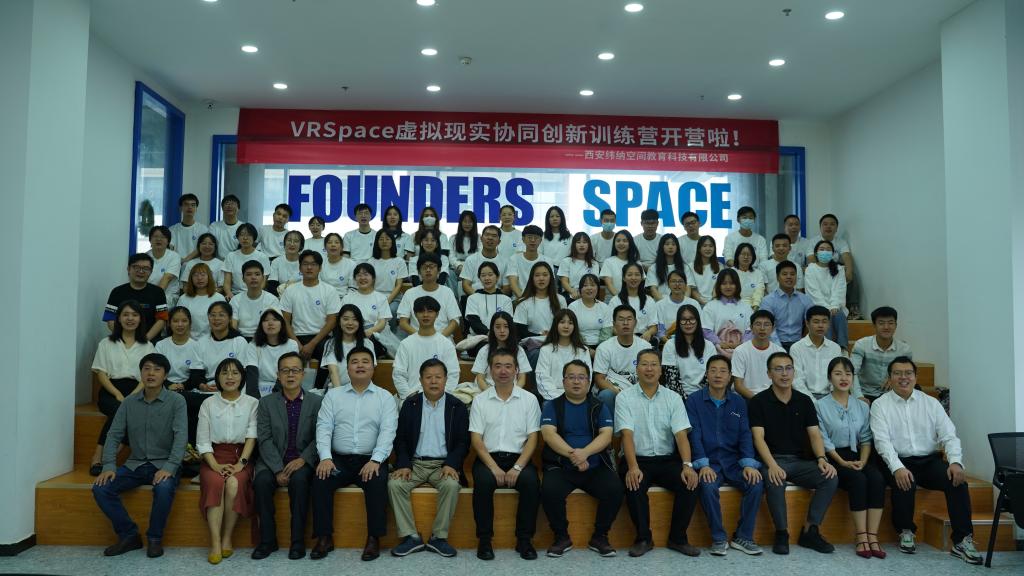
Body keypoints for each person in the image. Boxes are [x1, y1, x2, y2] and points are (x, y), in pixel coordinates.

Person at [870, 357, 981, 564]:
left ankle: (961, 540)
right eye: (897, 373)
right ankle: (905, 530)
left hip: (928, 461)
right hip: (898, 459)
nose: (903, 377)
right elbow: (882, 442)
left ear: (915, 376)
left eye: (908, 373)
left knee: (957, 481)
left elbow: (949, 435)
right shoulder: (880, 405)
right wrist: (897, 467)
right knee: (905, 481)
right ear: (889, 378)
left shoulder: (931, 403)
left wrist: (955, 462)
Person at [92, 353, 187, 558]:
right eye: (146, 368)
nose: (151, 373)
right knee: (101, 488)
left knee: (163, 488)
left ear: (165, 375)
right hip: (135, 464)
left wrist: (170, 467)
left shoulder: (177, 401)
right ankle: (129, 535)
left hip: (164, 463)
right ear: (140, 373)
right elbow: (114, 435)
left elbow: (181, 437)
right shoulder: (129, 403)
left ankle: (155, 538)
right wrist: (108, 465)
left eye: (157, 369)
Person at [311, 346, 397, 561]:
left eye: (365, 361)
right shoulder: (333, 396)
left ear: (373, 367)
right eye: (354, 361)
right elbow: (323, 428)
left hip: (370, 459)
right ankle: (324, 537)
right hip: (338, 460)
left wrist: (376, 460)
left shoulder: (385, 397)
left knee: (377, 482)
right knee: (321, 479)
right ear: (347, 368)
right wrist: (325, 457)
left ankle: (374, 539)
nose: (360, 365)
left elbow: (388, 432)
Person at [749, 352, 838, 555]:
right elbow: (758, 438)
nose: (784, 373)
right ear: (769, 374)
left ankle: (810, 530)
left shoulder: (804, 401)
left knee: (830, 476)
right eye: (778, 369)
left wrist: (822, 458)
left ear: (794, 372)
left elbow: (814, 434)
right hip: (771, 459)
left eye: (788, 368)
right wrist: (772, 465)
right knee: (775, 479)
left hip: (799, 461)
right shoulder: (758, 401)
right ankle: (781, 533)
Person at [615, 349, 701, 557]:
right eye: (644, 364)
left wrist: (687, 465)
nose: (649, 369)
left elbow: (681, 435)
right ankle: (643, 539)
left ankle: (678, 538)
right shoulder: (624, 397)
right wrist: (633, 467)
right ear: (637, 369)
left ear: (661, 369)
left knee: (689, 483)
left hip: (666, 459)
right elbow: (626, 435)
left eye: (654, 364)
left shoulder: (673, 398)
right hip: (637, 459)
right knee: (634, 484)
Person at [387, 359, 469, 558]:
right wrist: (404, 464)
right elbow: (400, 439)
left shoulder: (457, 406)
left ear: (446, 379)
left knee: (451, 485)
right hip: (415, 464)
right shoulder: (410, 404)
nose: (433, 381)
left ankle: (438, 538)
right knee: (395, 485)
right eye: (428, 377)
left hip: (443, 464)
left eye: (438, 377)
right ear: (421, 380)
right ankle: (411, 537)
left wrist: (451, 464)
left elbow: (463, 442)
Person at [540, 360, 622, 558]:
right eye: (571, 377)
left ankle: (600, 537)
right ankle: (561, 537)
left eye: (581, 377)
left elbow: (606, 435)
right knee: (549, 490)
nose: (576, 382)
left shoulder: (599, 406)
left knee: (615, 489)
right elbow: (549, 435)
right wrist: (574, 455)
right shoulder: (552, 406)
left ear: (588, 381)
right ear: (563, 381)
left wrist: (585, 453)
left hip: (595, 465)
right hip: (561, 466)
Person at [685, 355, 764, 556]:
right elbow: (694, 435)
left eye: (723, 371)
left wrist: (748, 464)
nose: (718, 375)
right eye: (713, 370)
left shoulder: (738, 402)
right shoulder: (694, 401)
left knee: (756, 482)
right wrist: (703, 464)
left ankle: (743, 537)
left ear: (730, 376)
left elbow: (745, 434)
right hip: (709, 461)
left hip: (733, 461)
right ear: (706, 374)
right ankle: (718, 538)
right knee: (707, 485)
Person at [469, 348, 542, 560]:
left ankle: (524, 540)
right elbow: (476, 440)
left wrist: (517, 467)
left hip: (519, 458)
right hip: (488, 459)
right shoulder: (480, 400)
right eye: (498, 366)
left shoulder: (529, 399)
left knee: (531, 483)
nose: (503, 371)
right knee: (482, 483)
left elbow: (533, 439)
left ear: (516, 370)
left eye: (508, 366)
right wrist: (494, 468)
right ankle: (484, 540)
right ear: (490, 370)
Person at [251, 352, 323, 560]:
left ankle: (297, 541)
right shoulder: (266, 403)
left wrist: (303, 459)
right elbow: (264, 439)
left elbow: (320, 437)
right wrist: (277, 469)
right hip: (272, 461)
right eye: (285, 370)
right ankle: (267, 541)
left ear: (303, 374)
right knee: (261, 482)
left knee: (300, 482)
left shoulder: (317, 402)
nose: (290, 375)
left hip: (302, 460)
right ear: (278, 375)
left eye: (295, 370)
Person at [816, 357, 886, 560]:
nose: (843, 378)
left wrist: (863, 461)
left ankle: (873, 536)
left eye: (848, 374)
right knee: (858, 480)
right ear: (829, 378)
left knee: (877, 479)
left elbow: (865, 438)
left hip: (857, 455)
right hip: (833, 457)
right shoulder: (820, 405)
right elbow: (823, 440)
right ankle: (861, 536)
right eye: (838, 373)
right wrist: (842, 462)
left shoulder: (862, 406)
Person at [196, 358, 258, 564]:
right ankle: (215, 542)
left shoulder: (252, 403)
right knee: (216, 482)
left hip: (241, 457)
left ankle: (227, 537)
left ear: (242, 377)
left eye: (235, 373)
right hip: (213, 458)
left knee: (233, 483)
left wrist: (241, 463)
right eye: (224, 372)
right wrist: (214, 465)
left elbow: (252, 436)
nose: (230, 377)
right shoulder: (208, 403)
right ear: (217, 377)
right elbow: (202, 440)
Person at [90, 301, 156, 476]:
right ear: (118, 318)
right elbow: (101, 373)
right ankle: (99, 456)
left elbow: (148, 375)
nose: (130, 319)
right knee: (120, 411)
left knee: (130, 412)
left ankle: (104, 458)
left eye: (134, 315)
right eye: (125, 314)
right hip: (111, 390)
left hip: (138, 390)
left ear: (140, 319)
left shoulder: (147, 346)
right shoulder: (106, 343)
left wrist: (133, 395)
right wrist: (117, 393)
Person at [280, 250, 340, 389]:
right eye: (305, 264)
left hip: (321, 337)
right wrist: (297, 343)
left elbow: (332, 321)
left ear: (320, 268)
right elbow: (285, 320)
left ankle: (317, 390)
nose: (309, 267)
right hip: (296, 337)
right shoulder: (291, 290)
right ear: (300, 267)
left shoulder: (329, 290)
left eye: (313, 264)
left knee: (328, 349)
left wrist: (312, 344)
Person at [392, 296, 459, 401]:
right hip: (411, 398)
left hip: (440, 399)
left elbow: (453, 375)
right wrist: (409, 397)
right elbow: (398, 375)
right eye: (421, 311)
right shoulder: (406, 344)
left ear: (437, 314)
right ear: (415, 314)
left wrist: (440, 397)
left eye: (430, 311)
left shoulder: (446, 344)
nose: (426, 315)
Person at [593, 305, 652, 413]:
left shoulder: (645, 347)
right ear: (614, 324)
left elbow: (651, 375)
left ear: (635, 323)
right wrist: (621, 395)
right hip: (614, 392)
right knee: (606, 395)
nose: (625, 323)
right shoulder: (604, 348)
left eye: (629, 319)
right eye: (621, 319)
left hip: (638, 391)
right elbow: (599, 379)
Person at [850, 306, 912, 402]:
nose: (886, 327)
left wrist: (895, 378)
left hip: (893, 393)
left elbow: (908, 374)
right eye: (881, 323)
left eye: (890, 323)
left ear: (896, 325)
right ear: (874, 325)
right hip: (866, 393)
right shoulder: (861, 345)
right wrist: (859, 396)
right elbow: (852, 372)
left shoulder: (904, 349)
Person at [103, 253, 168, 341]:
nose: (141, 271)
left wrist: (145, 340)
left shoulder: (158, 292)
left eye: (146, 268)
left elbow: (162, 319)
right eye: (136, 267)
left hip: (150, 341)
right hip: (122, 341)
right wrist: (124, 339)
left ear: (151, 271)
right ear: (128, 269)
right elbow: (110, 318)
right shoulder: (117, 292)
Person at [513, 262, 566, 367]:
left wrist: (551, 335)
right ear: (532, 279)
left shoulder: (560, 300)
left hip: (556, 342)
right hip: (533, 346)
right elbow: (519, 332)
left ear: (551, 278)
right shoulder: (523, 302)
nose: (541, 278)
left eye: (545, 275)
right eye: (537, 275)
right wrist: (540, 336)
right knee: (539, 354)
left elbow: (566, 324)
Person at [397, 253, 460, 338]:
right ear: (419, 271)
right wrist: (420, 337)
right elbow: (403, 322)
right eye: (424, 267)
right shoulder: (410, 293)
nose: (428, 270)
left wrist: (438, 338)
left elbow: (454, 321)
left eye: (432, 267)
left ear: (439, 270)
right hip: (417, 338)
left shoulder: (447, 292)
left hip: (442, 339)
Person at [535, 310, 593, 401]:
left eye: (570, 323)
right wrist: (560, 400)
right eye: (562, 322)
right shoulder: (546, 349)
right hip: (553, 396)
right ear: (556, 325)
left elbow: (587, 377)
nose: (566, 326)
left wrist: (575, 396)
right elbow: (542, 378)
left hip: (578, 396)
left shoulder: (583, 350)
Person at [661, 304, 716, 398]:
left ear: (698, 321)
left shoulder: (709, 346)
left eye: (692, 319)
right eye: (683, 320)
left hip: (704, 397)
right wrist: (686, 400)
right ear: (678, 322)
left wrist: (698, 399)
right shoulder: (670, 345)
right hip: (677, 398)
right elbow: (672, 380)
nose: (688, 323)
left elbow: (710, 377)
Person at [759, 260, 814, 351]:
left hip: (799, 344)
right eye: (784, 274)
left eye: (792, 274)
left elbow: (811, 323)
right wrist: (779, 348)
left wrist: (803, 344)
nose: (789, 277)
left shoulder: (806, 300)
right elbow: (766, 326)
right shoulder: (768, 301)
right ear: (777, 277)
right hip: (774, 344)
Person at [243, 308, 300, 397]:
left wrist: (274, 399)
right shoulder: (253, 345)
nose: (270, 323)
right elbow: (252, 374)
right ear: (261, 325)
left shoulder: (291, 345)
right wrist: (254, 399)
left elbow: (288, 373)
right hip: (259, 387)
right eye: (266, 320)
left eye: (275, 319)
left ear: (282, 324)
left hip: (284, 387)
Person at [792, 306, 845, 399]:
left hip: (829, 397)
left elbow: (837, 376)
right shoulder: (796, 348)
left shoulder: (835, 348)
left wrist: (831, 399)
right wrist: (812, 401)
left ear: (829, 324)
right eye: (816, 322)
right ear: (807, 323)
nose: (821, 325)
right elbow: (797, 380)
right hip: (804, 397)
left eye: (824, 322)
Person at [804, 239, 849, 351]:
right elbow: (813, 291)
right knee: (823, 317)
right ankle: (826, 349)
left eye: (828, 249)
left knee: (839, 315)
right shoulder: (811, 269)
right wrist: (827, 308)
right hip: (817, 305)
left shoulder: (839, 269)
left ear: (833, 254)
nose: (825, 251)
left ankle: (842, 348)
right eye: (822, 249)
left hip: (835, 306)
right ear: (816, 253)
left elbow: (839, 289)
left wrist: (834, 306)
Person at [341, 263, 394, 356]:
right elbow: (342, 320)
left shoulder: (381, 298)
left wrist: (368, 332)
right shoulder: (347, 298)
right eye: (359, 275)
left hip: (373, 334)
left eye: (366, 274)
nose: (362, 278)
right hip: (351, 333)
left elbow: (382, 323)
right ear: (354, 279)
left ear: (373, 278)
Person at [469, 311, 530, 391]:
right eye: (498, 327)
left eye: (506, 326)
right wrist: (491, 394)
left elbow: (522, 379)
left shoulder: (519, 350)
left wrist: (513, 393)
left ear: (510, 328)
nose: (502, 330)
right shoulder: (485, 350)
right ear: (492, 329)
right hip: (488, 390)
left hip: (512, 391)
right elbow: (480, 379)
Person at [731, 310, 785, 399]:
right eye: (758, 324)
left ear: (773, 328)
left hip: (773, 398)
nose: (762, 328)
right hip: (747, 397)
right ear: (751, 328)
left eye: (766, 324)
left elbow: (783, 381)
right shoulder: (740, 351)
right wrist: (758, 401)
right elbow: (738, 385)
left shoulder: (780, 352)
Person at [321, 304, 378, 389]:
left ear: (360, 322)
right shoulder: (331, 344)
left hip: (362, 389)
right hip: (337, 388)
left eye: (355, 319)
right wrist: (339, 393)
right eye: (345, 319)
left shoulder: (367, 343)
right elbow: (333, 371)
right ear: (339, 321)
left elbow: (368, 371)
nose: (350, 323)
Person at [154, 307, 206, 397]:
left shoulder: (196, 346)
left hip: (189, 390)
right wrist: (168, 385)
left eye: (184, 321)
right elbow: (157, 371)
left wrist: (183, 386)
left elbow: (196, 375)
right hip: (164, 388)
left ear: (190, 323)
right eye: (175, 321)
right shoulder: (160, 345)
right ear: (169, 323)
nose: (180, 324)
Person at [701, 269, 754, 356]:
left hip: (742, 351)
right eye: (724, 283)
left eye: (732, 283)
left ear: (737, 285)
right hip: (716, 352)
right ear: (719, 285)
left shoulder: (746, 307)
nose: (728, 286)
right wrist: (719, 343)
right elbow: (706, 330)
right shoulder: (710, 306)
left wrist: (741, 344)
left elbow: (750, 330)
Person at [229, 260, 280, 340]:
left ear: (263, 278)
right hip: (241, 338)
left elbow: (275, 325)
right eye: (249, 274)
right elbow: (233, 326)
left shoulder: (272, 300)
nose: (253, 277)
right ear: (243, 279)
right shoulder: (235, 300)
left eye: (257, 274)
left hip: (265, 338)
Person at [464, 261, 514, 341]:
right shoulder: (473, 298)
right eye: (483, 275)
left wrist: (496, 336)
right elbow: (474, 322)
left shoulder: (506, 300)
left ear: (497, 277)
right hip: (478, 339)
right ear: (479, 278)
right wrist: (489, 333)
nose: (487, 278)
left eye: (490, 275)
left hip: (501, 339)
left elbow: (507, 322)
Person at [176, 263, 226, 340]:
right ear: (191, 278)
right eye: (195, 275)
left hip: (214, 340)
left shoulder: (219, 298)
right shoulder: (183, 299)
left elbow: (224, 322)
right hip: (189, 340)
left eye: (203, 275)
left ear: (209, 277)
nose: (199, 278)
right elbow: (179, 322)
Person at [222, 223, 271, 299]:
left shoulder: (262, 257)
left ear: (254, 237)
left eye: (249, 235)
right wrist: (230, 295)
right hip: (235, 295)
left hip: (256, 294)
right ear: (237, 237)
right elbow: (226, 282)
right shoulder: (231, 256)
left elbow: (263, 282)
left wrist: (254, 295)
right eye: (242, 235)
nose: (245, 238)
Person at [368, 229, 408, 318]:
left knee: (391, 310)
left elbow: (399, 285)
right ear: (377, 242)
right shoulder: (371, 261)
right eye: (381, 239)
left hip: (394, 298)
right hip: (375, 297)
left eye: (387, 239)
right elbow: (370, 284)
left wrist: (386, 301)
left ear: (392, 241)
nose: (384, 241)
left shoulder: (399, 261)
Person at [652, 270, 700, 341]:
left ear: (685, 285)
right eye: (673, 281)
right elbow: (660, 331)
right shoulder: (659, 305)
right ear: (668, 284)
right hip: (667, 340)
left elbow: (699, 326)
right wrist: (668, 342)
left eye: (680, 281)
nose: (677, 284)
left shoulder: (694, 304)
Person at [567, 274, 612, 350]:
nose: (589, 288)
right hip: (578, 346)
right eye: (585, 285)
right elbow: (572, 332)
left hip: (601, 347)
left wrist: (600, 351)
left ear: (598, 288)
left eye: (592, 285)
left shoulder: (604, 307)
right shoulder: (573, 307)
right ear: (580, 289)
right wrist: (586, 349)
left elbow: (607, 333)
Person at [507, 225, 553, 298]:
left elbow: (550, 283)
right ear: (523, 239)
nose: (533, 240)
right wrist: (523, 300)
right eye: (529, 237)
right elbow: (513, 283)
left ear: (540, 240)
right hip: (519, 298)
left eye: (536, 238)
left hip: (541, 299)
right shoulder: (514, 259)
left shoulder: (547, 260)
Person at [615, 262, 657, 342]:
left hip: (644, 339)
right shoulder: (615, 300)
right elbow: (612, 327)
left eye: (637, 275)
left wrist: (649, 333)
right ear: (624, 278)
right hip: (623, 339)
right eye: (629, 275)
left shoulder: (649, 300)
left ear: (642, 278)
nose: (633, 278)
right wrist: (629, 337)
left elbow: (654, 326)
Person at [460, 225, 506, 297]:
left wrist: (494, 299)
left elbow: (507, 288)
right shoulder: (470, 260)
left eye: (494, 236)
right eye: (487, 235)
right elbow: (466, 285)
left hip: (498, 298)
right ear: (481, 239)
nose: (490, 238)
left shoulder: (505, 262)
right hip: (475, 297)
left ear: (499, 242)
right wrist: (480, 299)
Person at [146, 225, 182, 306]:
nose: (158, 239)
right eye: (155, 236)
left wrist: (152, 299)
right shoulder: (145, 257)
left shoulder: (174, 256)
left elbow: (167, 278)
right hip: (147, 294)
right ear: (150, 240)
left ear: (168, 241)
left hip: (168, 295)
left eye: (162, 237)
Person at [647, 234, 689, 301]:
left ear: (677, 247)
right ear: (662, 247)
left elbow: (688, 288)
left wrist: (683, 303)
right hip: (660, 303)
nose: (670, 247)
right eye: (667, 244)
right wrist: (665, 304)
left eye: (673, 244)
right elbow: (653, 289)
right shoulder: (653, 268)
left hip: (681, 303)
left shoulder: (685, 267)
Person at [558, 232, 599, 300]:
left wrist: (583, 293)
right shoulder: (566, 261)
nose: (581, 245)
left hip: (589, 295)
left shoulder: (594, 263)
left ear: (589, 245)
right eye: (578, 242)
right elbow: (564, 282)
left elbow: (595, 283)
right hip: (571, 295)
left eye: (584, 242)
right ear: (574, 245)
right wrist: (573, 291)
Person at [599, 230, 639, 298]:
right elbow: (609, 284)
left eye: (625, 241)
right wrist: (620, 299)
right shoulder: (608, 262)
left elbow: (640, 285)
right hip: (612, 299)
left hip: (633, 299)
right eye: (618, 241)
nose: (621, 243)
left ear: (630, 243)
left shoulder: (637, 263)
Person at [169, 193, 208, 262]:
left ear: (196, 209)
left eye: (193, 205)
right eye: (186, 204)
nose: (190, 207)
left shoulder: (203, 229)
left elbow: (201, 248)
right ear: (181, 208)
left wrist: (186, 260)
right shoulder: (172, 229)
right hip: (177, 263)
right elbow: (170, 248)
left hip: (196, 265)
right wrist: (178, 261)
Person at [267, 230, 304, 295]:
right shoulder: (276, 262)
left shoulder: (305, 262)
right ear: (284, 243)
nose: (292, 244)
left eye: (296, 241)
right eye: (289, 240)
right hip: (281, 296)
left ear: (301, 246)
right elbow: (272, 285)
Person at [688, 235, 721, 306]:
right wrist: (703, 303)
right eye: (704, 246)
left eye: (711, 246)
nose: (708, 249)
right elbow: (693, 290)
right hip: (696, 303)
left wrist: (712, 302)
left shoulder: (720, 266)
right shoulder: (690, 267)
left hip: (714, 302)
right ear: (699, 249)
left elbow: (717, 288)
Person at [209, 194, 244, 259]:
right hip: (219, 262)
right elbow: (210, 246)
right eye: (227, 203)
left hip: (238, 260)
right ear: (222, 208)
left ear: (238, 208)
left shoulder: (243, 227)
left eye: (233, 204)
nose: (229, 206)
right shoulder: (214, 226)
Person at [733, 243, 766, 309]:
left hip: (753, 306)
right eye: (743, 254)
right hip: (733, 306)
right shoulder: (730, 272)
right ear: (737, 256)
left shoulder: (758, 273)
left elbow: (759, 291)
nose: (746, 257)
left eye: (749, 254)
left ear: (753, 257)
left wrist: (755, 305)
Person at [451, 209, 480, 278]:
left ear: (474, 223)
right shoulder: (453, 238)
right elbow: (451, 256)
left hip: (473, 268)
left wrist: (469, 267)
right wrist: (459, 265)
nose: (467, 224)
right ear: (461, 223)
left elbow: (480, 255)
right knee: (449, 274)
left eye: (470, 222)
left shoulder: (479, 238)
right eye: (465, 221)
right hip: (457, 268)